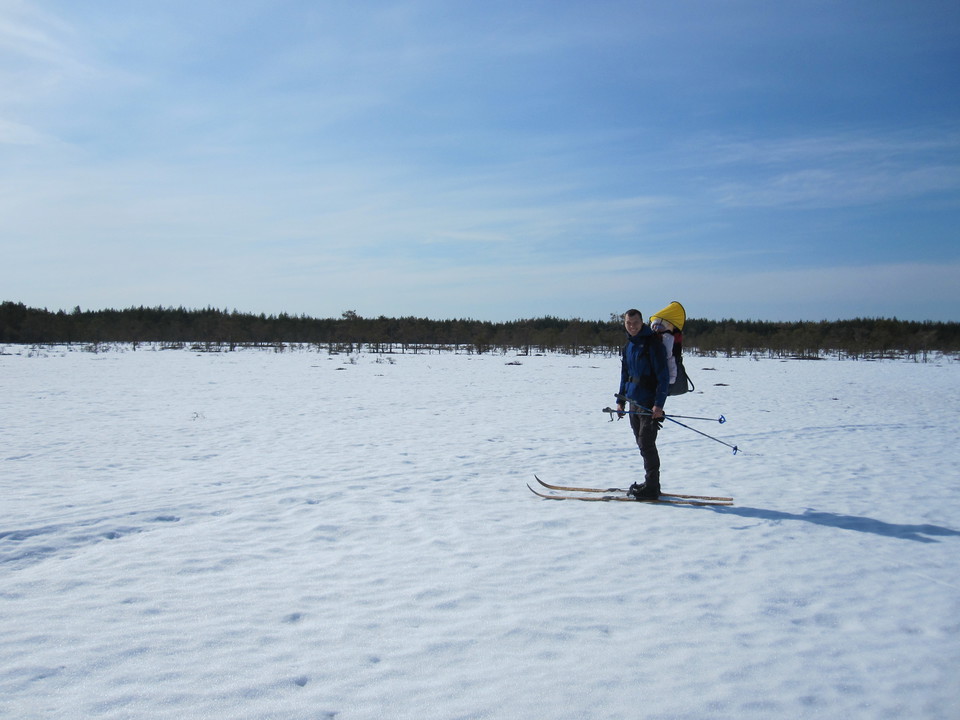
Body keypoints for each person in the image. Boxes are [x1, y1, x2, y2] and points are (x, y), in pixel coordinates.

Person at [616, 309, 670, 499]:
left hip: (649, 403)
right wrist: (620, 401)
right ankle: (651, 483)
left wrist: (659, 404)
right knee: (642, 444)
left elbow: (663, 377)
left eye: (635, 323)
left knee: (647, 443)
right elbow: (625, 375)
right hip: (633, 402)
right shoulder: (628, 345)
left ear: (642, 322)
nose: (632, 326)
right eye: (628, 323)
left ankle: (652, 487)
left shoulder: (652, 344)